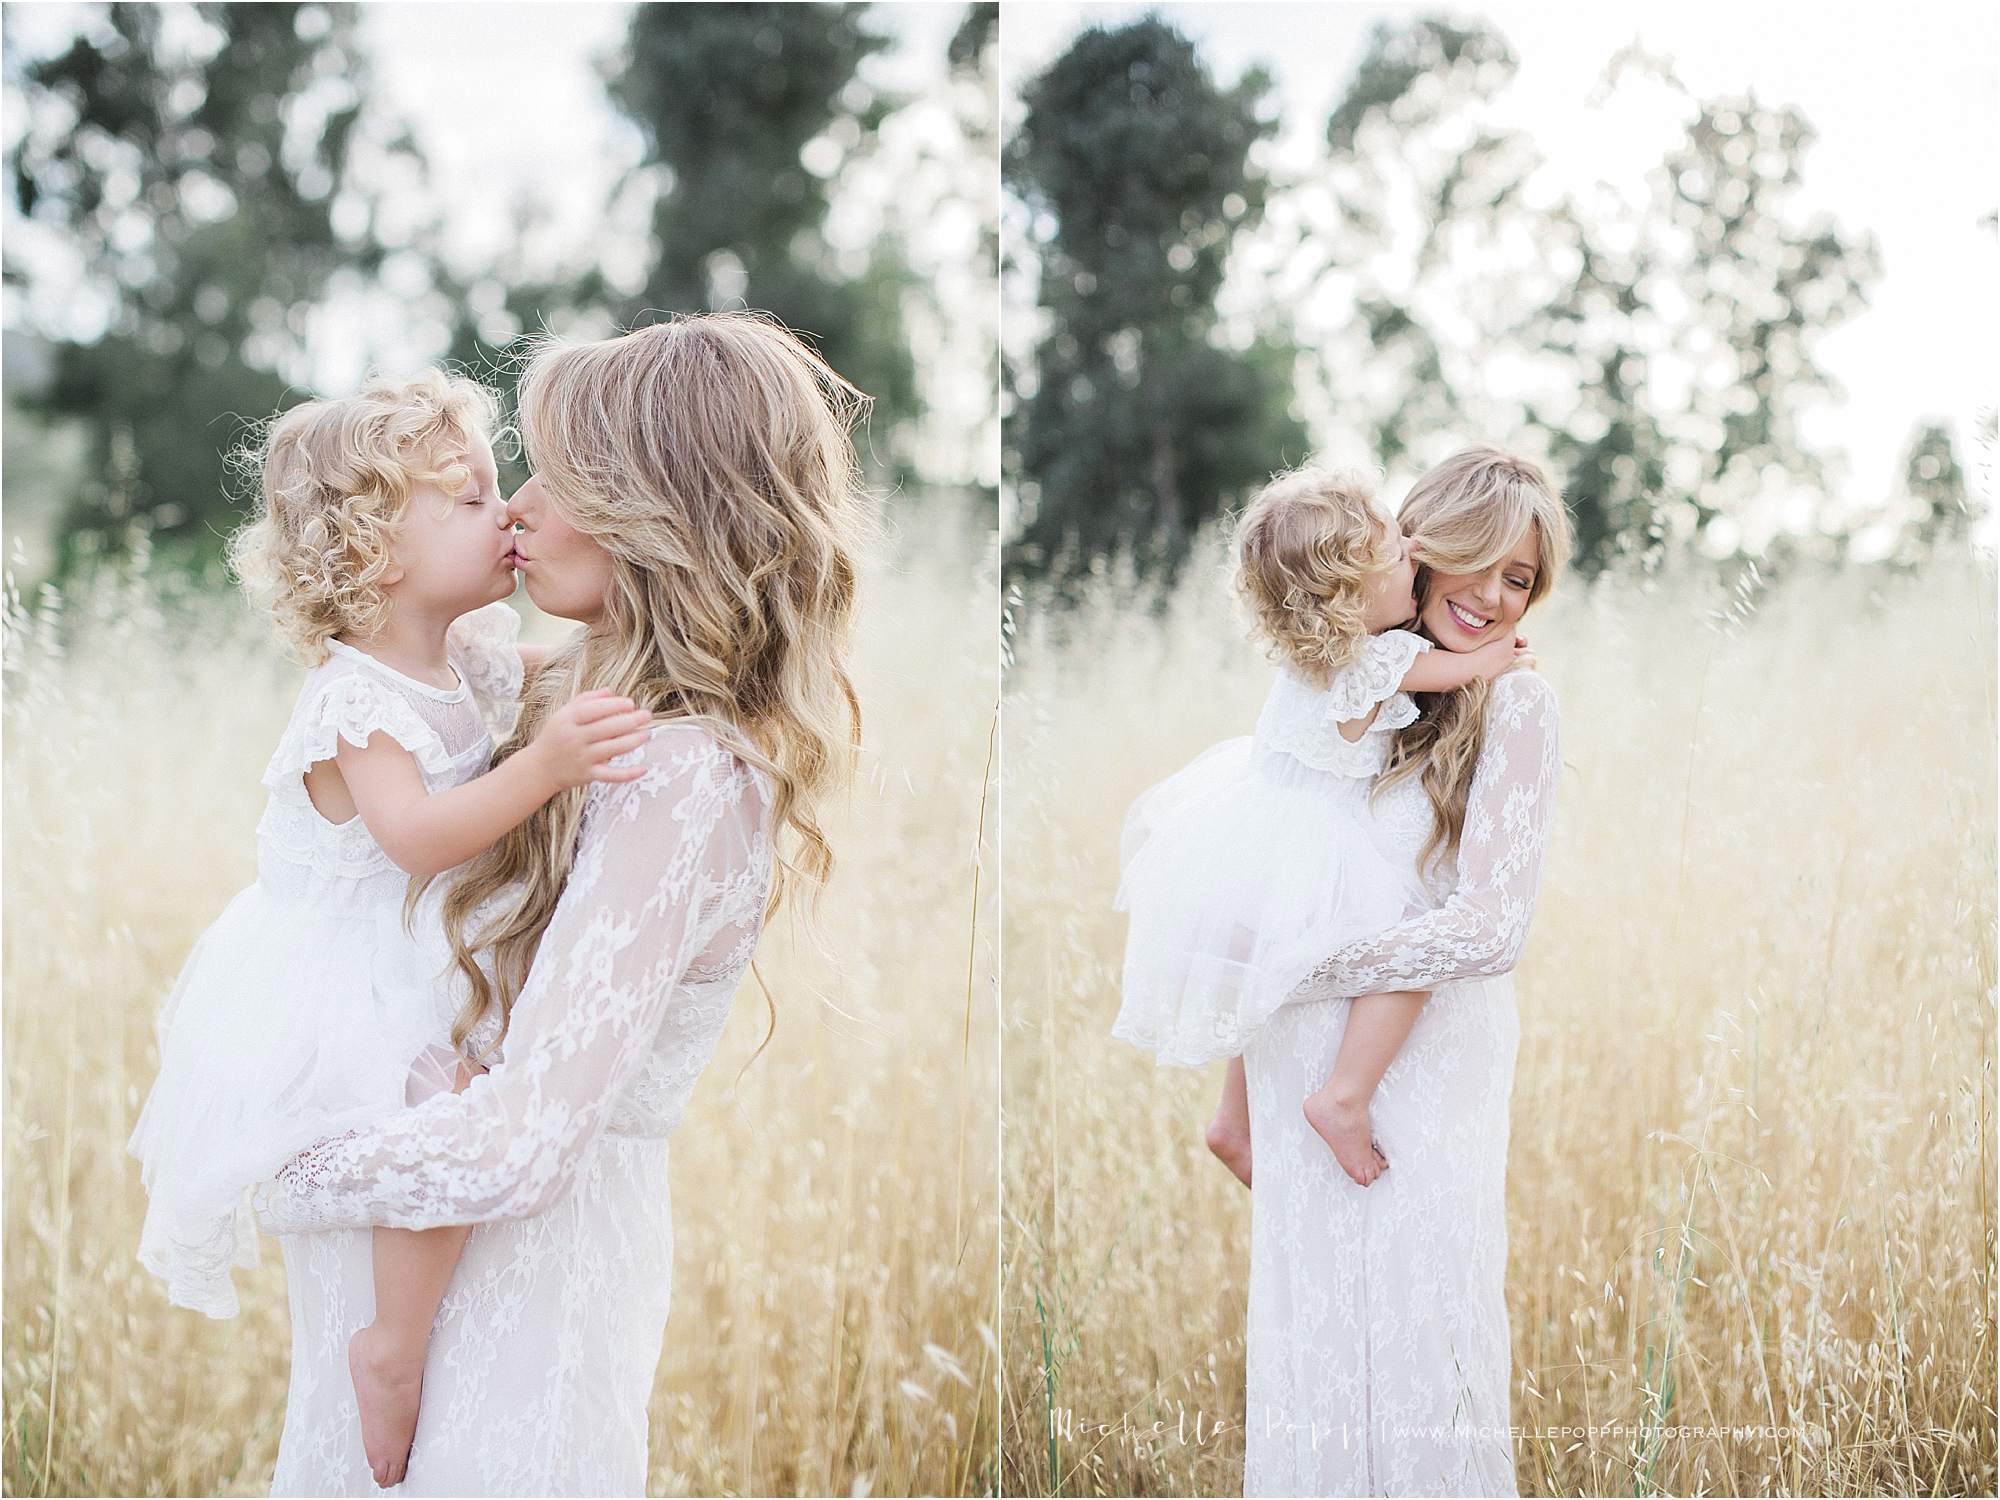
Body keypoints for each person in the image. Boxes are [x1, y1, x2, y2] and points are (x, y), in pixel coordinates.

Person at [251, 312, 871, 1496]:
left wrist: (277, 1164)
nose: (519, 507)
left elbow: (525, 1142)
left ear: (659, 510)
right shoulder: (587, 708)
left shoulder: (680, 774)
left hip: (524, 1292)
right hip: (436, 1247)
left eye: (559, 476)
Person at [126, 371, 649, 1486]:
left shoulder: (461, 652)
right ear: (375, 551)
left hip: (420, 938)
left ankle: (416, 1345)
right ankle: (391, 1349)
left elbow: (560, 670)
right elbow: (415, 836)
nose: (504, 513)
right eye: (467, 501)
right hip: (347, 961)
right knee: (435, 1109)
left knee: (461, 1097)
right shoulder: (353, 698)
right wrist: (549, 765)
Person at [1239, 446, 1572, 1497]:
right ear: (1410, 552)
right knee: (1318, 1359)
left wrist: (1303, 969)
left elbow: (1486, 931)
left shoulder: (1515, 704)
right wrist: (1238, 1091)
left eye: (1516, 578)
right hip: (1300, 1088)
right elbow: (1276, 896)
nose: (1488, 595)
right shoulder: (1352, 689)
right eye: (1472, 560)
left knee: (1425, 1348)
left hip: (1420, 1091)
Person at [1112, 463, 1527, 1189]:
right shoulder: (1379, 661)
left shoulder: (1315, 657)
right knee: (1415, 931)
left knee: (1268, 957)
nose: (1416, 555)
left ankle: (1232, 1123)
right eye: (1401, 553)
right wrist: (1505, 657)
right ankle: (1345, 1094)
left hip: (1252, 827)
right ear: (1356, 591)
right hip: (1319, 831)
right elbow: (1471, 665)